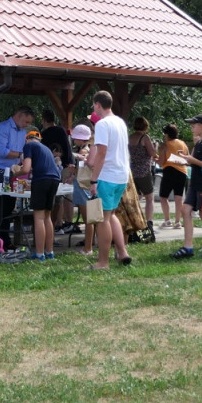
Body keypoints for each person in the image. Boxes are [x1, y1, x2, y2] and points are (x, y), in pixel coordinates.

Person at [86, 90, 133, 270]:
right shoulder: (120, 121)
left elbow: (102, 153)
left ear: (98, 104)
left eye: (93, 105)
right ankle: (122, 252)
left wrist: (93, 179)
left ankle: (103, 262)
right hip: (122, 175)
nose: (93, 109)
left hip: (107, 176)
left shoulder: (102, 124)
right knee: (111, 214)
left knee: (102, 219)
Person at [170, 115, 202, 258]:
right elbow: (193, 162)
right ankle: (188, 247)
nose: (191, 127)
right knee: (185, 210)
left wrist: (192, 160)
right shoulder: (198, 143)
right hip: (195, 183)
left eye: (194, 125)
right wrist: (184, 159)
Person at [0, 106, 35, 246]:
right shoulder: (3, 128)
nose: (27, 125)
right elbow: (2, 151)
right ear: (19, 115)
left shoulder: (22, 132)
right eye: (26, 121)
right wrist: (21, 155)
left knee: (8, 206)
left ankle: (5, 240)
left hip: (13, 171)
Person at [10, 130, 61, 261]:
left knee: (38, 218)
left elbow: (26, 169)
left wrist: (15, 172)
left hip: (42, 180)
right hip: (54, 180)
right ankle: (50, 252)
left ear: (26, 139)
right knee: (47, 217)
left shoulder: (29, 146)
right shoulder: (46, 149)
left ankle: (39, 253)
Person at [40, 109, 75, 231]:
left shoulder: (44, 134)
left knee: (58, 195)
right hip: (68, 164)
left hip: (54, 167)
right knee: (66, 195)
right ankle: (68, 222)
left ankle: (58, 222)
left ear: (44, 120)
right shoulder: (62, 130)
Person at [128, 116, 156, 239]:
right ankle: (149, 222)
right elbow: (152, 153)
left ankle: (135, 221)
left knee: (136, 198)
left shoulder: (130, 137)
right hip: (144, 172)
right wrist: (155, 146)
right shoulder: (144, 138)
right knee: (149, 198)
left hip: (132, 171)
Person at [69, 123, 96, 254]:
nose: (74, 140)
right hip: (90, 184)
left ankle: (88, 248)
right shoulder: (92, 148)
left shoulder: (84, 151)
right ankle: (93, 244)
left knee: (88, 219)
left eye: (75, 138)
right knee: (94, 219)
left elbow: (86, 167)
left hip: (83, 185)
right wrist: (74, 170)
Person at [156, 124, 188, 228]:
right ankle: (178, 222)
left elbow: (161, 162)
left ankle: (167, 220)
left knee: (163, 196)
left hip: (169, 171)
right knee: (179, 197)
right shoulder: (183, 143)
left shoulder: (166, 145)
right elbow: (187, 158)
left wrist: (155, 159)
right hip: (182, 171)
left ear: (167, 134)